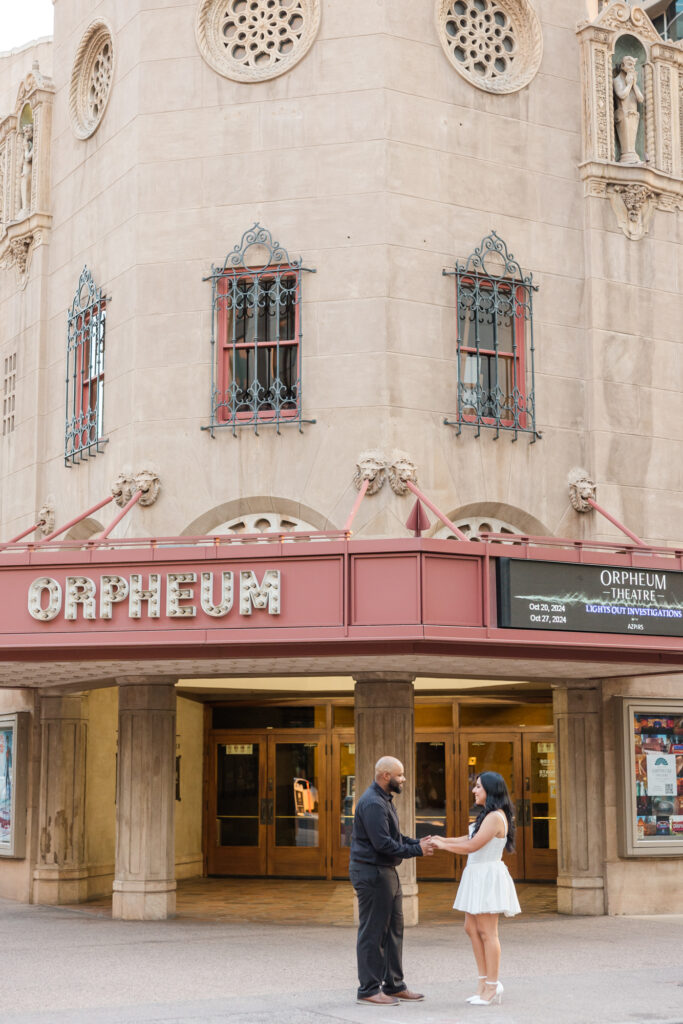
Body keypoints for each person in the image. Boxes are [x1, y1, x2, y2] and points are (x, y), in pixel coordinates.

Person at [349, 755, 435, 1006]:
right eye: (400, 775)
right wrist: (417, 851)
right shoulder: (373, 803)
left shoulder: (383, 800)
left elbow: (395, 837)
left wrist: (417, 842)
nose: (404, 779)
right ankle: (368, 990)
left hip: (385, 872)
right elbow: (383, 844)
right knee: (373, 933)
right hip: (372, 873)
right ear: (386, 776)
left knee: (393, 930)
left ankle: (394, 985)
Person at [432, 771, 520, 1006]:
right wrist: (443, 841)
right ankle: (483, 983)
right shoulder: (487, 815)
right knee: (471, 928)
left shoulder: (494, 817)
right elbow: (467, 837)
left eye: (478, 787)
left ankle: (492, 986)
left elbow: (472, 846)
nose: (474, 790)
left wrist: (443, 845)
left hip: (486, 875)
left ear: (491, 790)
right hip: (477, 874)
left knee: (487, 932)